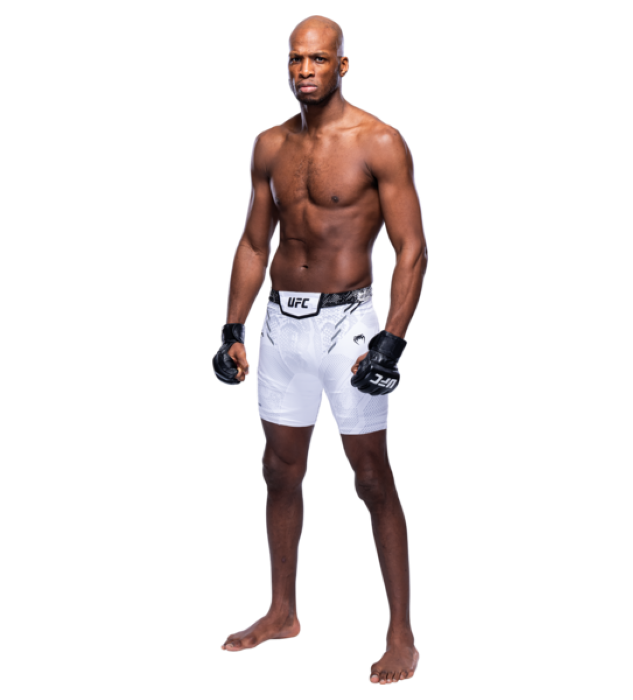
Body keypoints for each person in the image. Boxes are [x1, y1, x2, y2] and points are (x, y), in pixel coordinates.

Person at [213, 15, 428, 686]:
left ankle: (402, 634)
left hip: (348, 326)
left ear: (342, 65)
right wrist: (233, 328)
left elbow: (413, 249)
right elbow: (255, 243)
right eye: (295, 59)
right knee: (279, 471)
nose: (305, 69)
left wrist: (392, 340)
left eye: (318, 59)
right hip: (282, 326)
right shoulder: (270, 145)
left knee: (371, 476)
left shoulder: (378, 140)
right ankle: (282, 612)